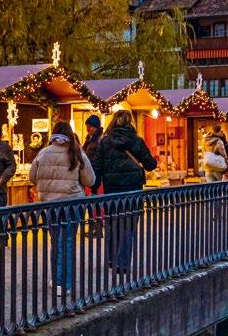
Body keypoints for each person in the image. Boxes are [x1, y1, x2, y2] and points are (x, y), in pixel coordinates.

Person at [29, 122, 95, 295]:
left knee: (55, 242)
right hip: (72, 204)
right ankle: (63, 283)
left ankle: (56, 279)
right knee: (67, 243)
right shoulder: (77, 152)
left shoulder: (43, 153)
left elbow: (32, 177)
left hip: (50, 205)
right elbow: (90, 180)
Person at [92, 110, 157, 275]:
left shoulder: (105, 142)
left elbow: (97, 167)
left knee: (112, 223)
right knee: (128, 226)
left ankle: (111, 258)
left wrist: (94, 188)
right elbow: (150, 165)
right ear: (130, 122)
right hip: (133, 190)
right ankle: (123, 264)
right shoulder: (137, 141)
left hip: (112, 189)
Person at [82, 114, 104, 238]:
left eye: (90, 126)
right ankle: (93, 227)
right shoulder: (89, 140)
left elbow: (97, 159)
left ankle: (98, 228)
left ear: (96, 127)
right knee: (92, 203)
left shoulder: (99, 140)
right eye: (87, 126)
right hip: (89, 174)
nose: (88, 129)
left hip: (96, 175)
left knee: (96, 203)